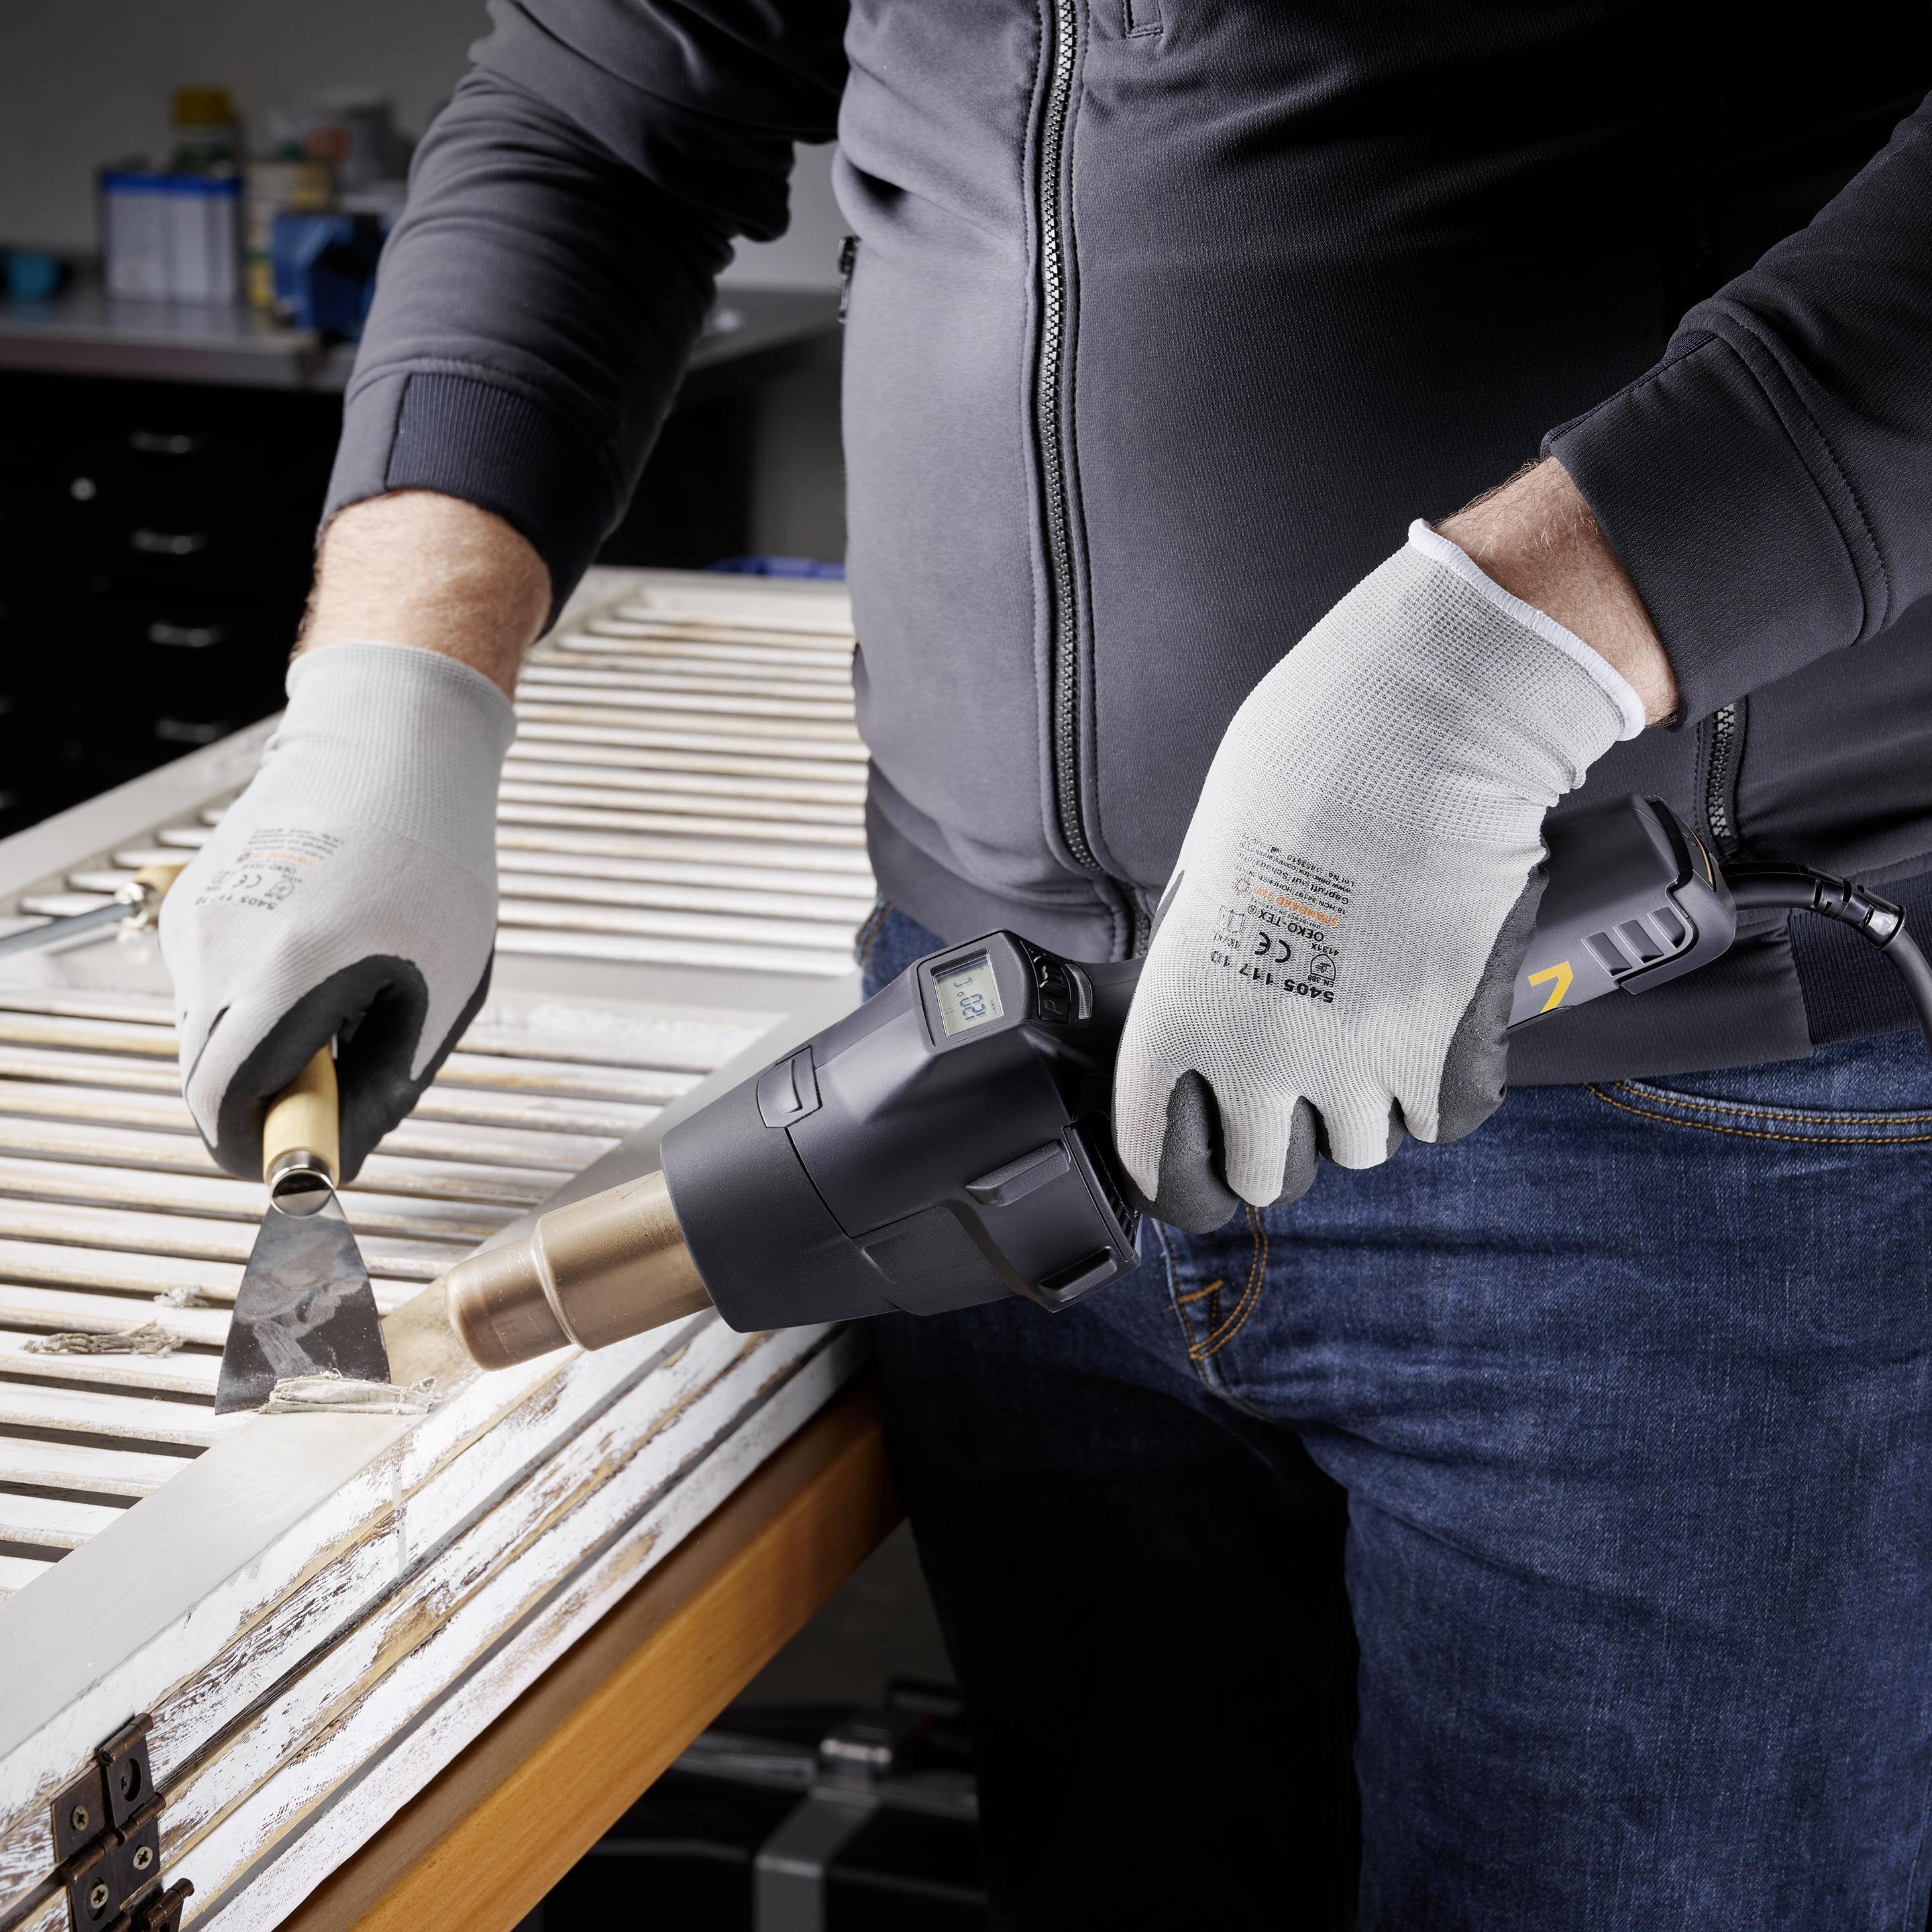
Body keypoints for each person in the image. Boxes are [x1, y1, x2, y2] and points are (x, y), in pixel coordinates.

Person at [158, 5, 1932, 1923]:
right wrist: (394, 689)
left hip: (1662, 1132)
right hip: (984, 1101)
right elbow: (607, 108)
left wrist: (1516, 651)